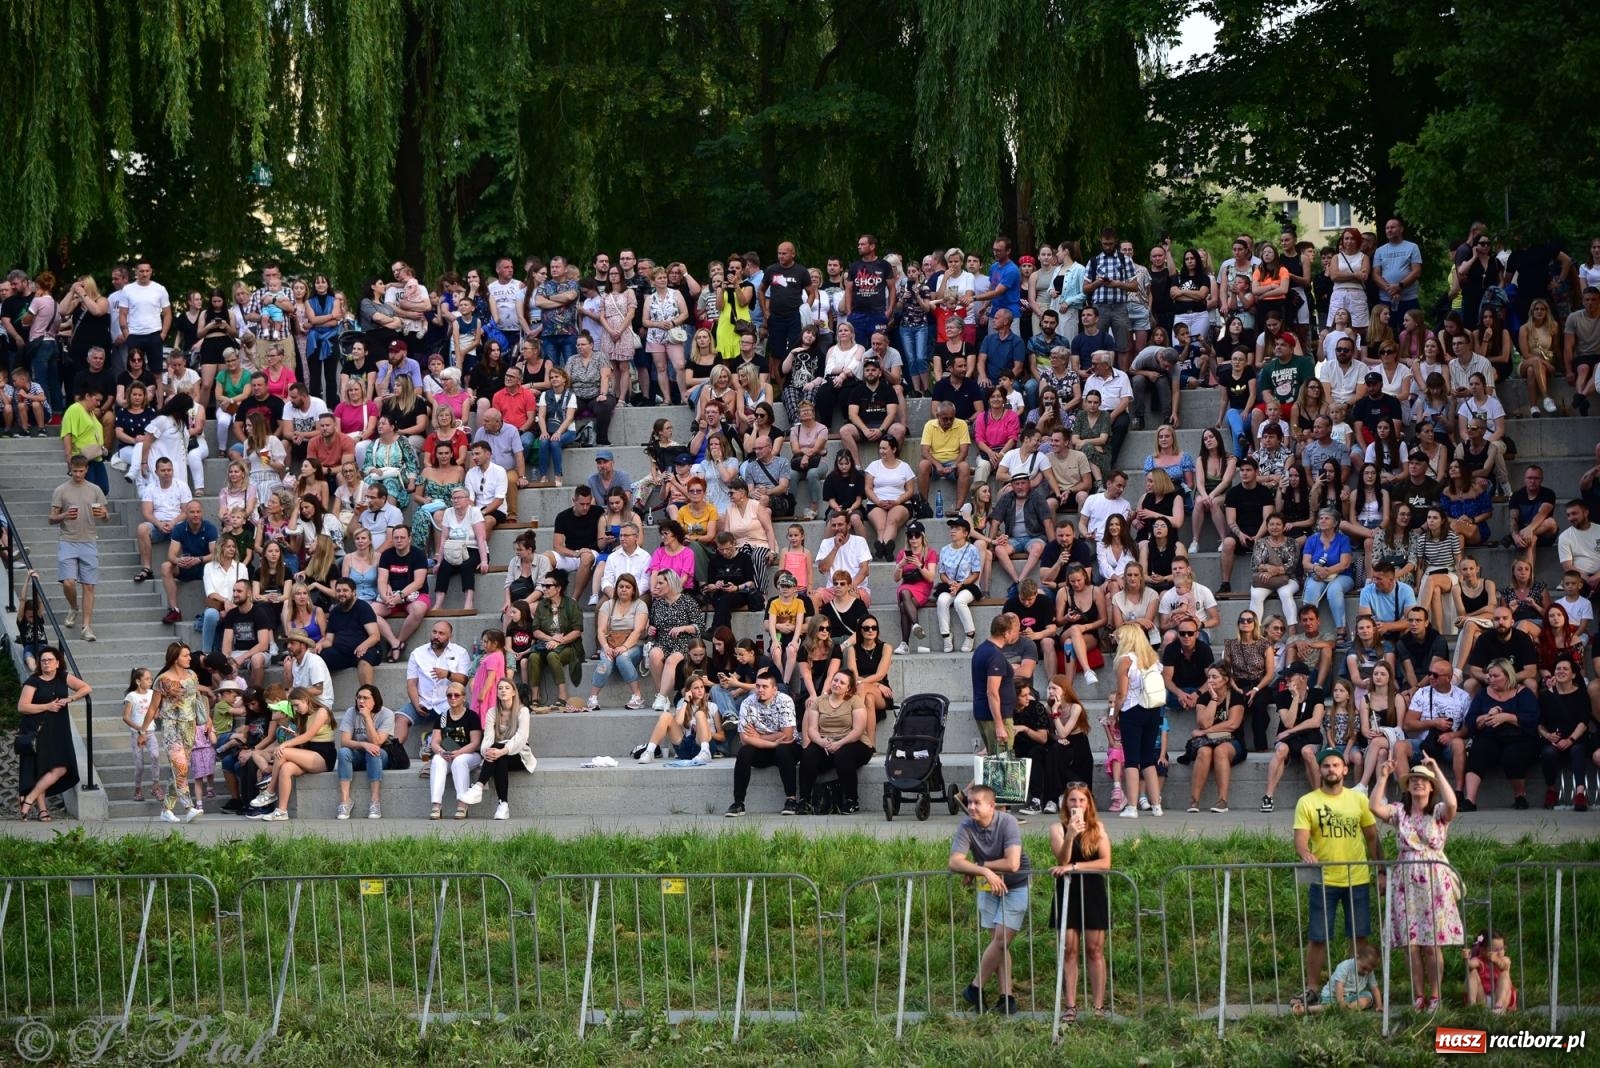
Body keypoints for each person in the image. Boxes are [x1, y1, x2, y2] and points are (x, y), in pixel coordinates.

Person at [1368, 755, 1463, 1013]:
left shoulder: (1439, 811)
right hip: (1405, 882)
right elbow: (1375, 807)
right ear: (1407, 786)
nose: (1419, 784)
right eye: (1414, 781)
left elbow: (1454, 803)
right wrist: (1384, 776)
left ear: (1431, 786)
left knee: (1431, 944)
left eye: (1424, 781)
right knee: (1410, 945)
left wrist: (1437, 770)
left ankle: (1435, 995)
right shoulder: (1400, 811)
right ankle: (1418, 995)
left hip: (1433, 881)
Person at [1292, 747, 1381, 1000]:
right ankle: (1312, 988)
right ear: (1319, 770)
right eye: (1326, 766)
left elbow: (1372, 836)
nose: (1331, 769)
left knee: (1359, 935)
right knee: (1319, 937)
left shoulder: (1358, 800)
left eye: (1335, 765)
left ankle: (1358, 986)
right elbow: (1300, 839)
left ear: (1345, 769)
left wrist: (1381, 870)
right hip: (1324, 880)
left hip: (1358, 878)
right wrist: (1305, 853)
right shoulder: (1308, 801)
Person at [950, 782, 1032, 1016]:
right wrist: (984, 872)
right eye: (969, 802)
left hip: (1015, 884)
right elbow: (955, 861)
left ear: (992, 806)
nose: (971, 807)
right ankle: (1006, 997)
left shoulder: (1008, 822)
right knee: (998, 943)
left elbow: (1013, 863)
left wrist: (979, 866)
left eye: (977, 803)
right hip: (988, 884)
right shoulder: (967, 825)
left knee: (1001, 941)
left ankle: (975, 987)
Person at [1049, 782, 1111, 1023]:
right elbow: (1061, 858)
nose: (1077, 805)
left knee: (1095, 950)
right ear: (1066, 803)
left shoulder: (1099, 828)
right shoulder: (1057, 828)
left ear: (1088, 804)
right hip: (1067, 891)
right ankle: (1071, 1006)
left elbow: (1105, 863)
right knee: (1069, 951)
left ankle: (1098, 1006)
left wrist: (1074, 867)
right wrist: (1071, 834)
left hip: (1092, 890)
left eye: (1081, 801)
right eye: (1072, 800)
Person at [16, 646, 90, 822]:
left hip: (59, 728)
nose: (46, 663)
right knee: (40, 768)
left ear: (57, 662)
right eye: (43, 660)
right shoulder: (33, 681)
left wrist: (71, 698)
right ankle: (42, 810)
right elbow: (22, 706)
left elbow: (86, 688)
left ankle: (29, 798)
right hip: (37, 728)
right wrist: (47, 706)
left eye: (50, 660)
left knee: (60, 768)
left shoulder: (63, 677)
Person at [247, 687, 337, 822]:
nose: (295, 709)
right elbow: (303, 738)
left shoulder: (322, 711)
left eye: (296, 705)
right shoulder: (302, 715)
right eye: (293, 706)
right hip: (308, 753)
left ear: (306, 700)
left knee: (283, 751)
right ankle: (282, 811)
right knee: (286, 768)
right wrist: (294, 736)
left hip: (323, 755)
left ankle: (270, 791)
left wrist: (284, 744)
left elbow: (308, 736)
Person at [49, 455, 109, 642]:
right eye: (74, 471)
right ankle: (73, 607)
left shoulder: (95, 489)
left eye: (81, 471)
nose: (77, 474)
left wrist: (103, 514)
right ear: (70, 469)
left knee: (89, 585)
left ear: (86, 470)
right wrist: (65, 515)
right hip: (68, 539)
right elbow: (51, 518)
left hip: (89, 540)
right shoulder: (61, 490)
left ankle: (86, 626)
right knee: (68, 582)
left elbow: (106, 516)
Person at [726, 668, 801, 817]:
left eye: (765, 687)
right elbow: (744, 739)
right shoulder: (748, 703)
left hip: (789, 748)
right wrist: (771, 742)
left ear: (774, 689)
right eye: (758, 686)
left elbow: (787, 735)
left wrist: (759, 737)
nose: (760, 690)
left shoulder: (784, 701)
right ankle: (739, 803)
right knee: (743, 753)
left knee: (783, 749)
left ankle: (791, 800)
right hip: (763, 750)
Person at [1108, 622, 1165, 819]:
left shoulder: (1125, 660)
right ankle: (1156, 805)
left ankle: (1132, 806)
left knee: (1132, 760)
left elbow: (1121, 694)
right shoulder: (1152, 658)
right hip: (1153, 709)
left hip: (1132, 710)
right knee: (1148, 759)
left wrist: (1113, 716)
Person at [796, 669, 872, 814]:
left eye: (842, 682)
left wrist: (839, 743)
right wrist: (821, 742)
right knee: (808, 755)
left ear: (848, 688)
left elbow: (857, 731)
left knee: (843, 755)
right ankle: (804, 800)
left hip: (855, 743)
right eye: (835, 680)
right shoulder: (819, 701)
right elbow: (811, 729)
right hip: (825, 743)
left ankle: (852, 801)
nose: (837, 684)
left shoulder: (855, 701)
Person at [462, 679, 535, 820]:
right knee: (498, 756)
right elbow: (488, 739)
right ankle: (503, 806)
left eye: (507, 688)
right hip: (499, 755)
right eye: (500, 688)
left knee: (499, 751)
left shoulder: (523, 711)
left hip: (519, 755)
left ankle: (478, 786)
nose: (503, 690)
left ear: (514, 692)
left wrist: (501, 750)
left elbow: (521, 738)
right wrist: (486, 752)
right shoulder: (492, 712)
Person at [333, 683, 395, 821]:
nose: (361, 701)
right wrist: (363, 744)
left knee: (373, 751)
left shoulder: (387, 714)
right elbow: (344, 741)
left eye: (365, 698)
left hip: (380, 755)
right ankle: (345, 801)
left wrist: (367, 717)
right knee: (343, 752)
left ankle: (375, 801)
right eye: (359, 697)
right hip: (358, 753)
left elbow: (377, 742)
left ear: (375, 700)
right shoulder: (351, 712)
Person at [427, 678, 484, 821]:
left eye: (456, 695)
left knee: (459, 761)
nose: (453, 698)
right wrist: (441, 752)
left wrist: (458, 753)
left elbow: (476, 742)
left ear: (464, 697)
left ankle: (462, 804)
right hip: (448, 754)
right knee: (437, 760)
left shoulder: (471, 716)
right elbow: (435, 742)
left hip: (470, 755)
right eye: (449, 695)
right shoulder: (443, 717)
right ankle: (436, 805)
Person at [973, 613, 1020, 757]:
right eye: (1014, 630)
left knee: (996, 762)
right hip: (996, 717)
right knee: (1001, 766)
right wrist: (999, 725)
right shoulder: (995, 655)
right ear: (1006, 633)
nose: (1016, 633)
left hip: (985, 713)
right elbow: (992, 692)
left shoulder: (982, 649)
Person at [1290, 943, 1382, 1016]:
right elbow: (1339, 985)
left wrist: (1379, 1005)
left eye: (1369, 970)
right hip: (1333, 995)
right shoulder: (1345, 966)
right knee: (1330, 1007)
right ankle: (1307, 1009)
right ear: (1357, 957)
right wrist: (1341, 1002)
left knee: (1367, 997)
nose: (1366, 972)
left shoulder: (1369, 971)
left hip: (1353, 996)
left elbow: (1374, 987)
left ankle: (1349, 1008)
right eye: (1364, 968)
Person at [1463, 931, 1518, 1014]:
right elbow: (1470, 965)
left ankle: (1499, 1007)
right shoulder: (1480, 961)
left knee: (1504, 974)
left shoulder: (1505, 959)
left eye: (1502, 949)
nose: (1499, 952)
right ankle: (1472, 1006)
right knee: (1472, 973)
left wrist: (1497, 960)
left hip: (1501, 997)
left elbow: (1504, 966)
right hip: (1483, 998)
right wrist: (1466, 958)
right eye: (1495, 950)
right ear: (1483, 950)